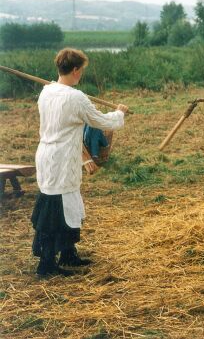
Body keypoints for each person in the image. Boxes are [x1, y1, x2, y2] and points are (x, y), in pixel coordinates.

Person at [31, 48, 129, 277]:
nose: (81, 74)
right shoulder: (76, 97)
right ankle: (46, 264)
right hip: (61, 158)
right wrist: (119, 113)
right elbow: (101, 121)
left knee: (68, 203)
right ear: (75, 70)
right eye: (81, 70)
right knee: (56, 209)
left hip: (48, 155)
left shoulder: (46, 92)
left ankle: (68, 253)